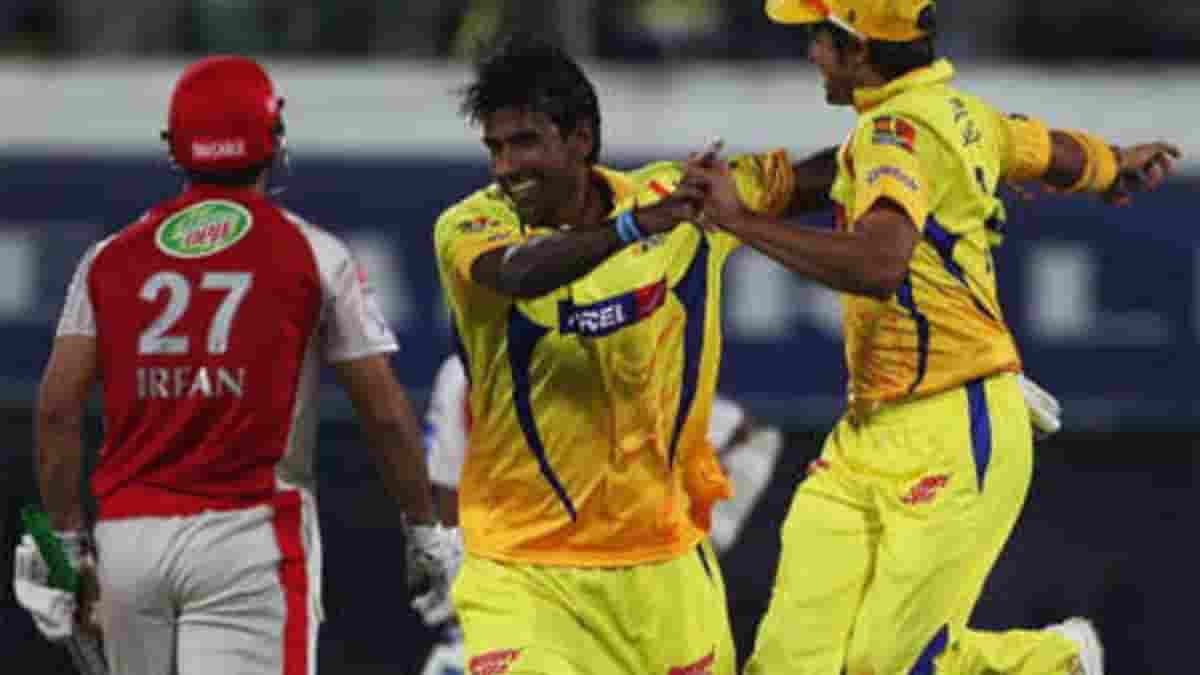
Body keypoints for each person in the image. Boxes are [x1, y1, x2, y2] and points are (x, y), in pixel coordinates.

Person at [684, 2, 1181, 674]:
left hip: (953, 423)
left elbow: (878, 263)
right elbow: (1043, 150)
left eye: (819, 39)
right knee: (788, 662)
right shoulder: (954, 114)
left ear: (859, 50)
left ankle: (1053, 659)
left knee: (885, 665)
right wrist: (1113, 164)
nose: (811, 54)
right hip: (866, 434)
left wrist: (741, 222)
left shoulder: (896, 132)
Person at [20, 55, 459, 675]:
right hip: (252, 537)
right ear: (274, 142)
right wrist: (425, 531)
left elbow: (56, 410)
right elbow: (384, 414)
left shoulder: (107, 258)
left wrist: (64, 546)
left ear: (174, 147)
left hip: (129, 541)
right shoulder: (315, 254)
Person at [432, 35, 801, 675]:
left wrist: (898, 151)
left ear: (580, 137)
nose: (505, 167)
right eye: (495, 147)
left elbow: (806, 182)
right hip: (521, 571)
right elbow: (519, 273)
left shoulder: (673, 200)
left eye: (524, 142)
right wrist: (631, 229)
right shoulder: (469, 226)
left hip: (664, 571)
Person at [415, 354, 785, 675]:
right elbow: (449, 500)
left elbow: (742, 438)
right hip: (511, 601)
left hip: (620, 611)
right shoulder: (467, 375)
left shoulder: (628, 367)